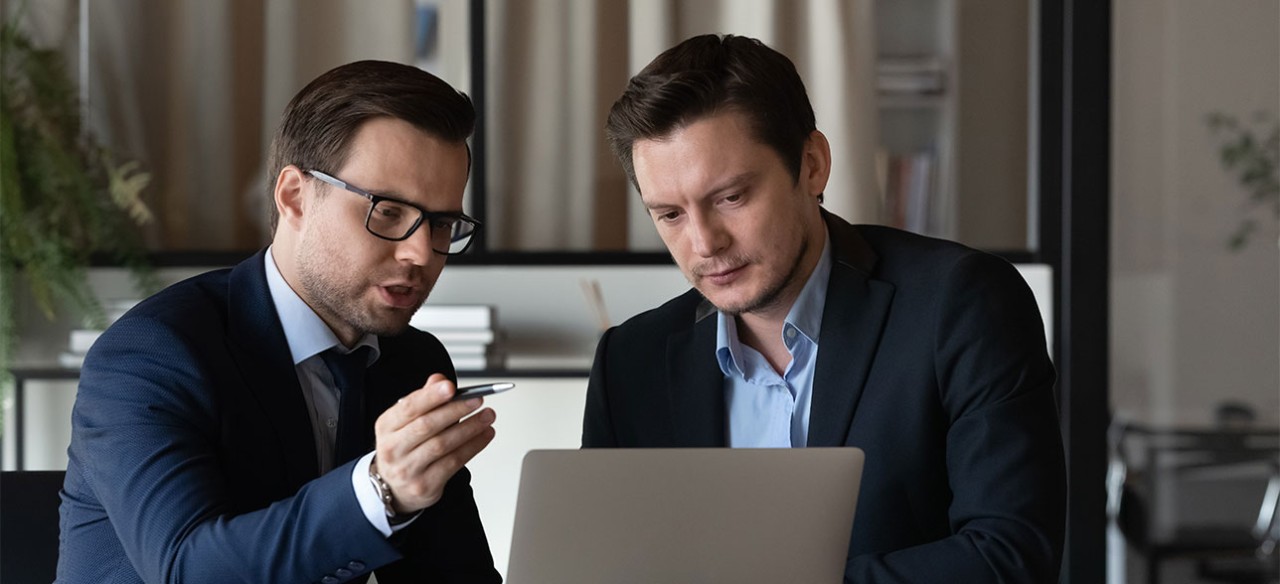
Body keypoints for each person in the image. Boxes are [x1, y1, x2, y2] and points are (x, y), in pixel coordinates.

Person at [583, 34, 1066, 583]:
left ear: (812, 165)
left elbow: (1011, 556)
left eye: (730, 198)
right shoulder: (630, 362)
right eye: (669, 215)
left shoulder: (962, 305)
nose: (704, 242)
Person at [58, 60, 502, 583]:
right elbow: (186, 570)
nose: (420, 252)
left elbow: (455, 573)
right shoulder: (152, 353)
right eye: (387, 212)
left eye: (443, 223)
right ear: (294, 196)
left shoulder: (412, 361)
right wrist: (379, 492)